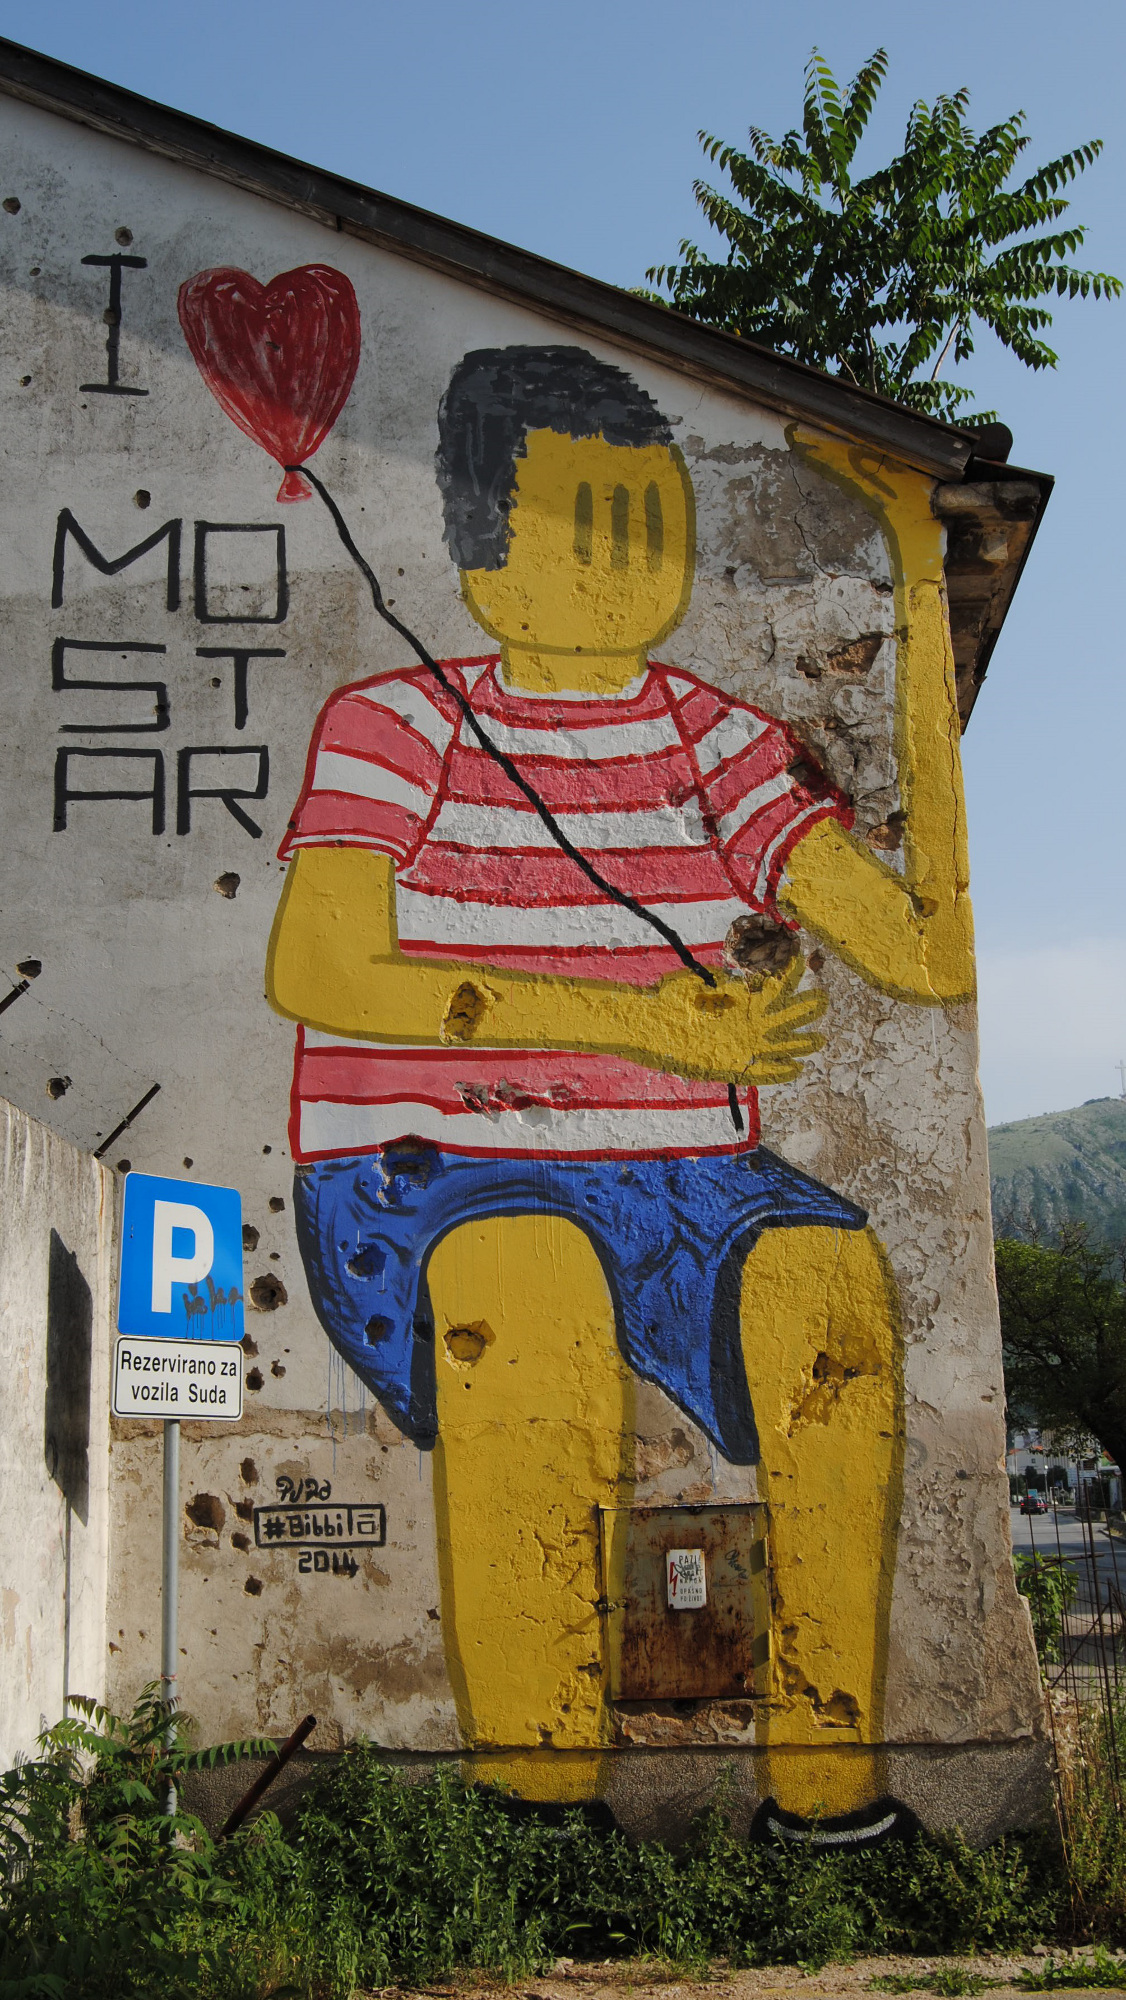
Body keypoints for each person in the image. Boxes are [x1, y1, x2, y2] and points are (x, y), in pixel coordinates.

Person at [267, 345, 973, 1839]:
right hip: (428, 1167)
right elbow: (319, 964)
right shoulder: (396, 726)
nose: (628, 563)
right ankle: (533, 1810)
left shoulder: (715, 741)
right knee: (534, 1310)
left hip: (684, 1179)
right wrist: (642, 1028)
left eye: (650, 525)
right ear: (482, 551)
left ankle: (829, 1801)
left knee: (836, 1292)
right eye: (587, 526)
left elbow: (922, 953)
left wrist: (919, 585)